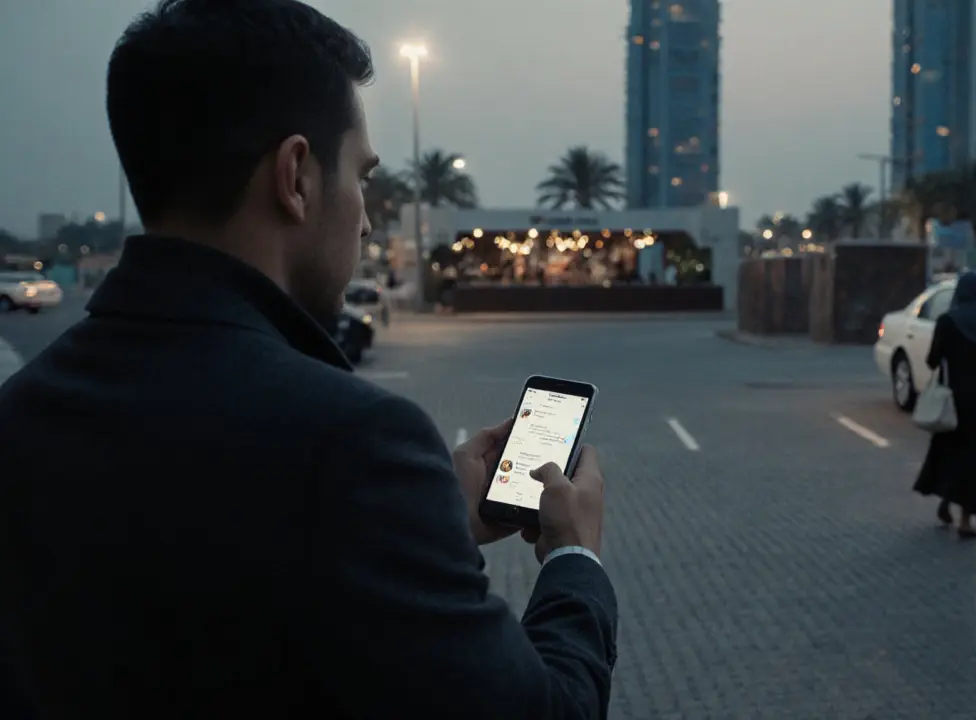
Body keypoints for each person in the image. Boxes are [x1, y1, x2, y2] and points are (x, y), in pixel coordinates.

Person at [0, 1, 615, 717]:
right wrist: (575, 558)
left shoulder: (22, 413)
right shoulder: (354, 445)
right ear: (295, 176)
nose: (364, 215)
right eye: (361, 176)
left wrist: (430, 520)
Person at [912, 271, 976, 539]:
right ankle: (966, 519)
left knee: (951, 453)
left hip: (956, 399)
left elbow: (933, 360)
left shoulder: (947, 322)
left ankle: (946, 500)